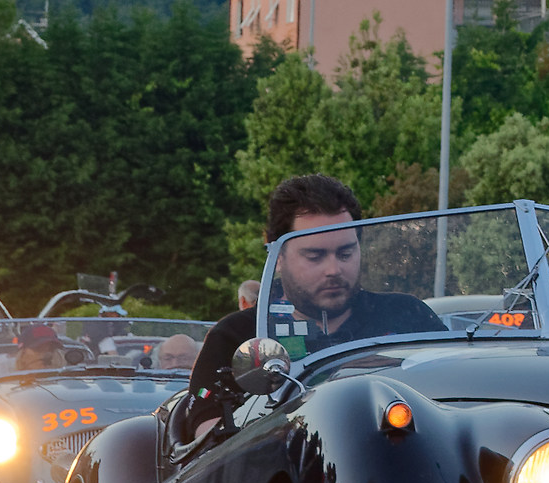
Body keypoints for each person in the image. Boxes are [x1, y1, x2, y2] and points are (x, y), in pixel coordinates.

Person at [187, 175, 445, 431]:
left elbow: (458, 392)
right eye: (314, 256)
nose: (333, 269)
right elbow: (204, 432)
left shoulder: (410, 316)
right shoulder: (235, 337)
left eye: (345, 253)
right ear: (277, 256)